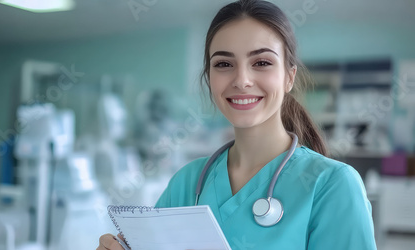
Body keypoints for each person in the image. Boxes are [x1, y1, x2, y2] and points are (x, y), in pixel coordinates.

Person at [98, 0, 377, 249]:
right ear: (210, 78)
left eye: (262, 62)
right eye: (223, 64)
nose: (241, 80)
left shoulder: (332, 185)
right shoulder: (187, 183)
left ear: (289, 77)